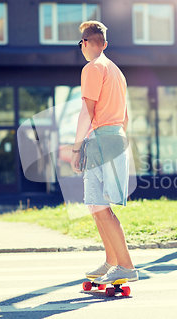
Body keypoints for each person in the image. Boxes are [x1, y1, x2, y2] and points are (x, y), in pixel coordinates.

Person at [70, 21, 138, 285]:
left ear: (85, 44)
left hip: (101, 140)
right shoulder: (116, 72)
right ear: (105, 43)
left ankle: (126, 265)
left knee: (99, 206)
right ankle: (113, 261)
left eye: (81, 44)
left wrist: (77, 149)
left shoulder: (93, 68)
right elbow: (126, 117)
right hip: (115, 139)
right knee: (97, 206)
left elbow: (87, 112)